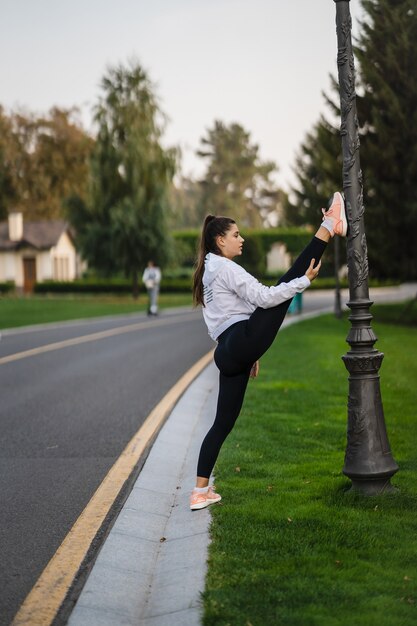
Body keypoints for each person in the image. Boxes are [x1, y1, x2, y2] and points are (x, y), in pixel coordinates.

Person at [190, 192, 347, 510]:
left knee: (222, 423)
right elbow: (264, 298)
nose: (242, 239)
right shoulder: (226, 268)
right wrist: (303, 282)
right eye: (236, 235)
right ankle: (330, 223)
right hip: (238, 343)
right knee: (288, 283)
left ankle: (199, 493)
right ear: (220, 240)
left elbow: (230, 317)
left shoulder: (208, 270)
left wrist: (249, 352)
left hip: (227, 352)